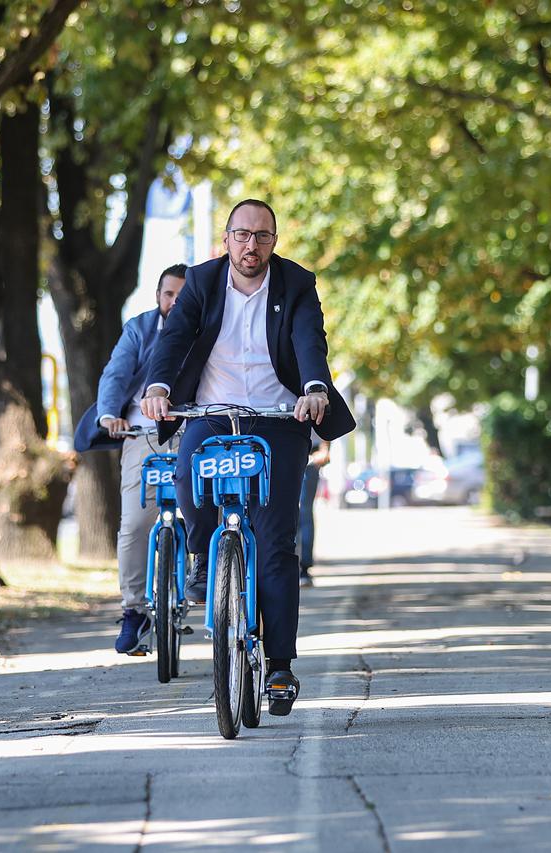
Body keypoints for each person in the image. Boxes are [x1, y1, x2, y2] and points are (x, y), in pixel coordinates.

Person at [141, 199, 355, 715]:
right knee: (189, 475)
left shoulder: (296, 285)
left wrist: (314, 388)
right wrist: (159, 385)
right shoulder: (201, 281)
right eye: (241, 235)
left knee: (278, 541)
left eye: (261, 236)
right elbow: (173, 338)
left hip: (279, 416)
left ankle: (279, 666)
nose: (250, 245)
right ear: (226, 239)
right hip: (211, 413)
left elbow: (310, 342)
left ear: (273, 242)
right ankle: (199, 557)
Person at [73, 264, 187, 654]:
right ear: (158, 296)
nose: (175, 301)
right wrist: (110, 415)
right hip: (143, 434)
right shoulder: (139, 329)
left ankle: (216, 582)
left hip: (194, 432)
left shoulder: (208, 327)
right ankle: (134, 609)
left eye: (183, 295)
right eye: (169, 294)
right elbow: (116, 375)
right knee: (136, 522)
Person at [297, 440, 330, 587]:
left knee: (303, 513)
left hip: (308, 455)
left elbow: (324, 420)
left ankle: (304, 568)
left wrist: (324, 449)